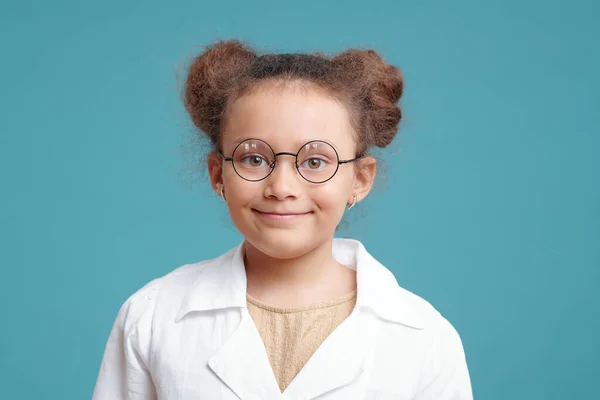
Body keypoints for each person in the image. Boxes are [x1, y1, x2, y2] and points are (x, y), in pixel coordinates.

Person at [92, 39, 473, 400]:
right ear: (217, 174)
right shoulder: (152, 316)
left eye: (315, 161)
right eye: (254, 158)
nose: (282, 187)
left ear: (359, 179)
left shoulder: (425, 338)